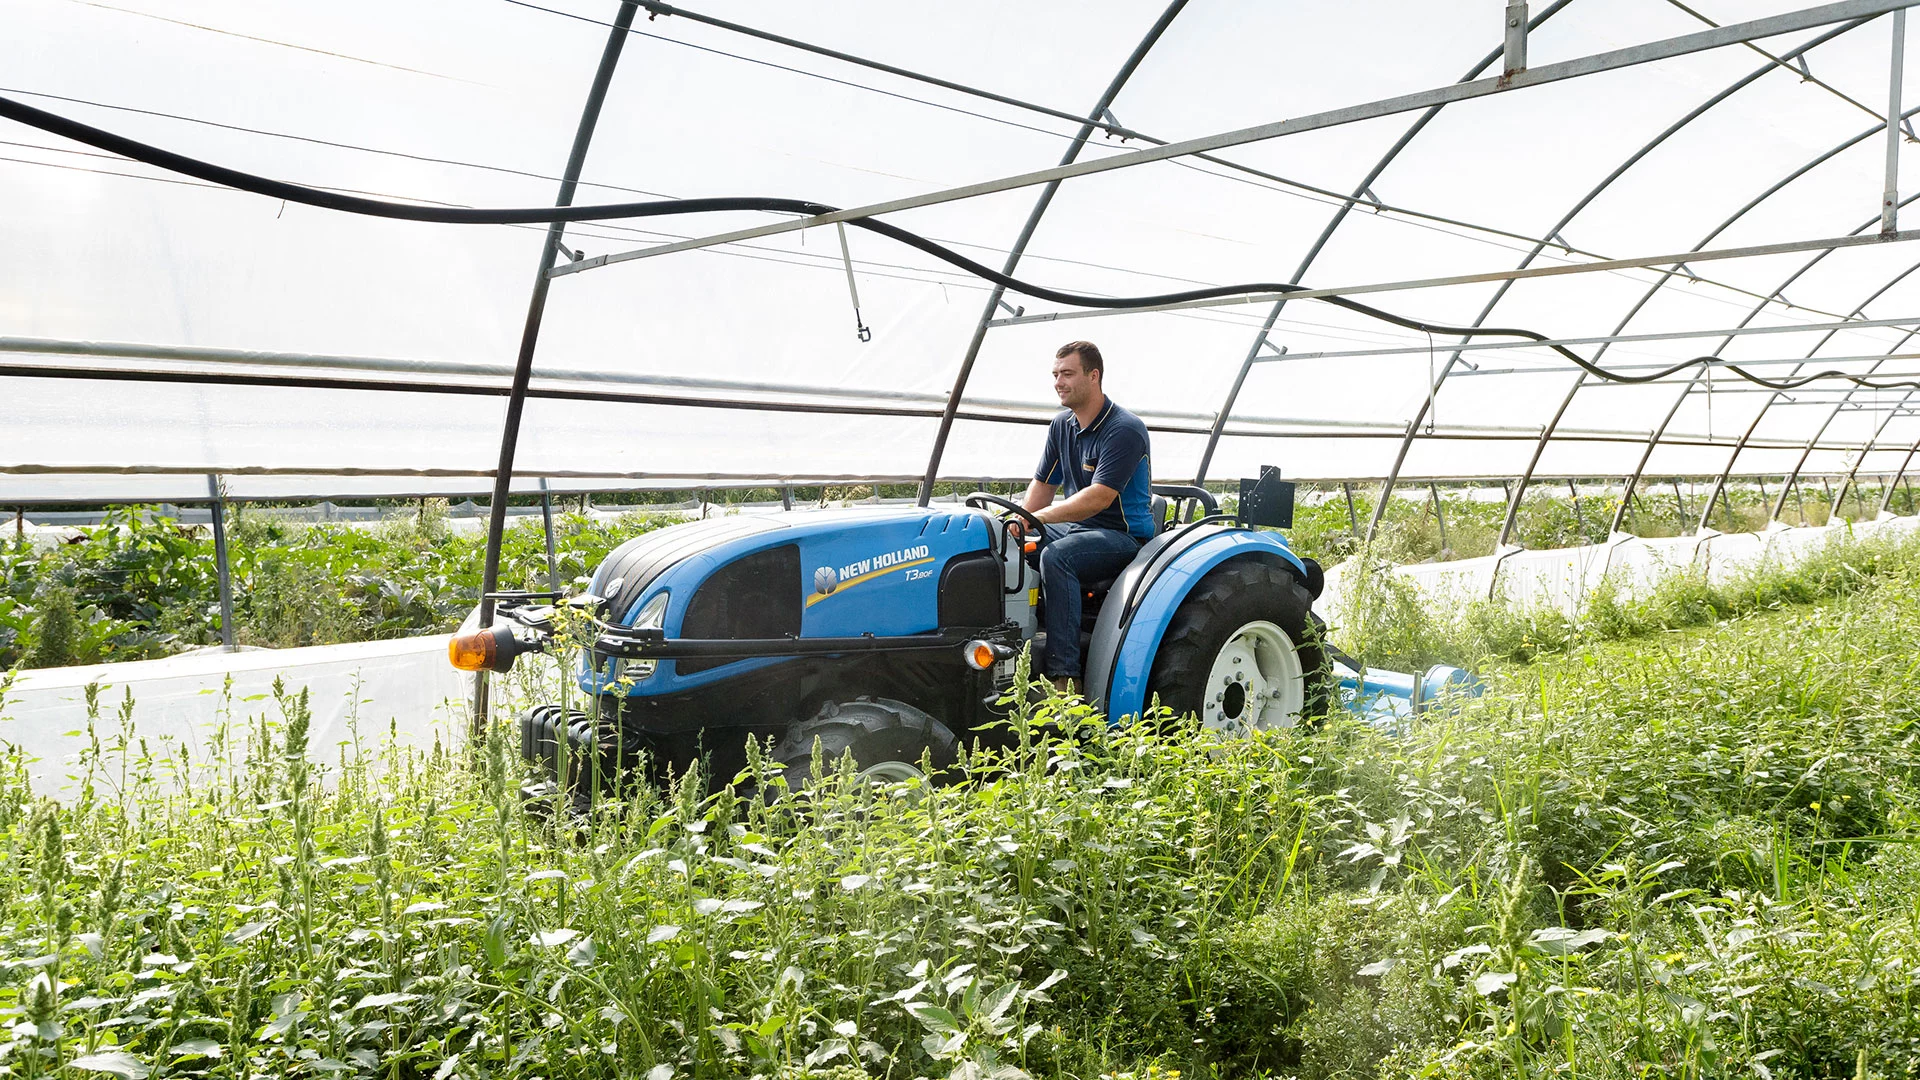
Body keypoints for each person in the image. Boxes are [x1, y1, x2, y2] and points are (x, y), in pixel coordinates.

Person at [1017, 341, 1154, 694]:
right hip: (1078, 529)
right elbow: (1043, 486)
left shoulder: (1124, 428)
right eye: (1055, 374)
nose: (1058, 382)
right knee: (1011, 547)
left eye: (1067, 374)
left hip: (1123, 536)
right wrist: (1018, 521)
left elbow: (1098, 498)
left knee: (1058, 557)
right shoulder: (1061, 425)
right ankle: (1015, 646)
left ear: (1093, 376)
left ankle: (1065, 677)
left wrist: (1040, 518)